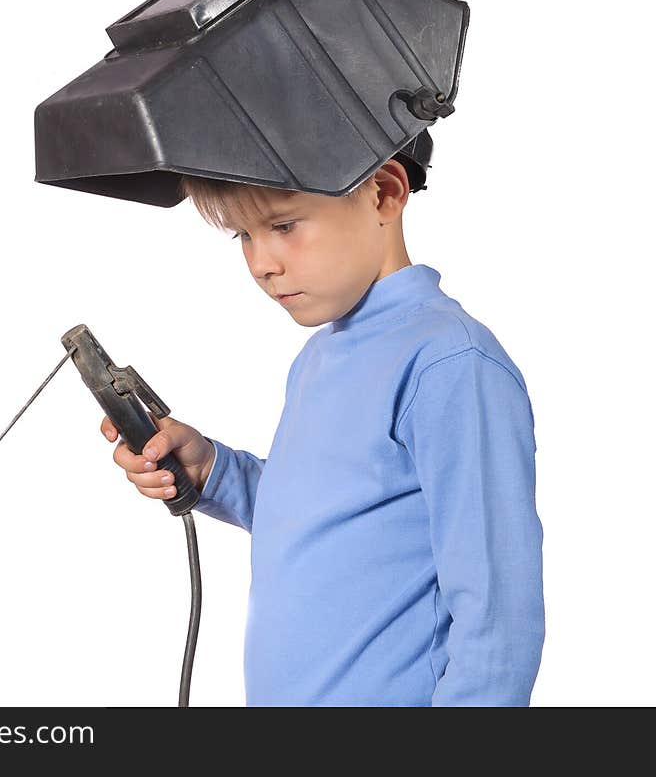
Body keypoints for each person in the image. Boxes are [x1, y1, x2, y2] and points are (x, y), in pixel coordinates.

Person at [100, 152, 545, 706]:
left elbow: (498, 617)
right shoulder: (319, 357)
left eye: (284, 226)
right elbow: (325, 517)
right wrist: (212, 470)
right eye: (242, 235)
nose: (261, 263)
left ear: (383, 192)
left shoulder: (448, 363)